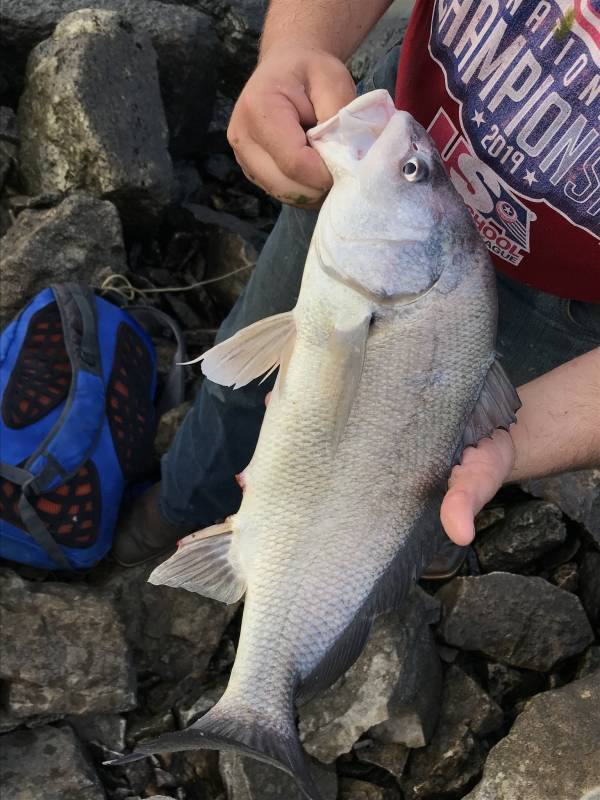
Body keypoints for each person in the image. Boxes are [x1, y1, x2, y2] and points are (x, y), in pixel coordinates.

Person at [112, 0, 600, 569]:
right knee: (238, 386)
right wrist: (301, 45)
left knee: (406, 476)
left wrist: (517, 442)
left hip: (559, 306)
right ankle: (178, 509)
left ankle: (328, 580)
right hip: (377, 172)